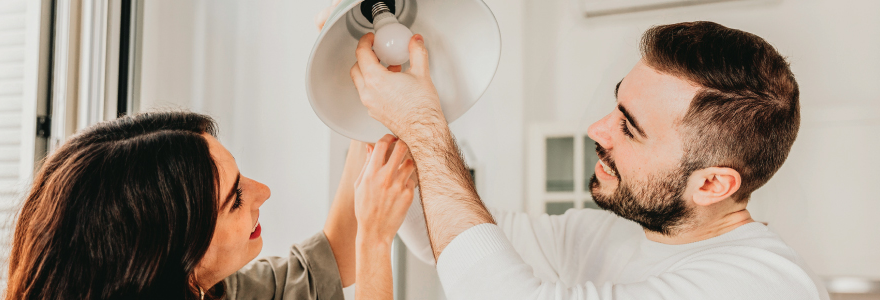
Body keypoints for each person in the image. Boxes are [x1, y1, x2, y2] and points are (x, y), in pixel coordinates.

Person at [346, 20, 831, 299]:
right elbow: (447, 243)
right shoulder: (611, 232)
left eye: (630, 127)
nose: (597, 130)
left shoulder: (758, 286)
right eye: (616, 107)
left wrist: (425, 129)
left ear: (711, 185)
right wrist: (377, 107)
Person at [5, 111, 415, 300]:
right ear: (170, 256)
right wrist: (376, 240)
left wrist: (366, 108)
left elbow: (329, 262)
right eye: (234, 200)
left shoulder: (206, 287)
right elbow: (358, 249)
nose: (263, 192)